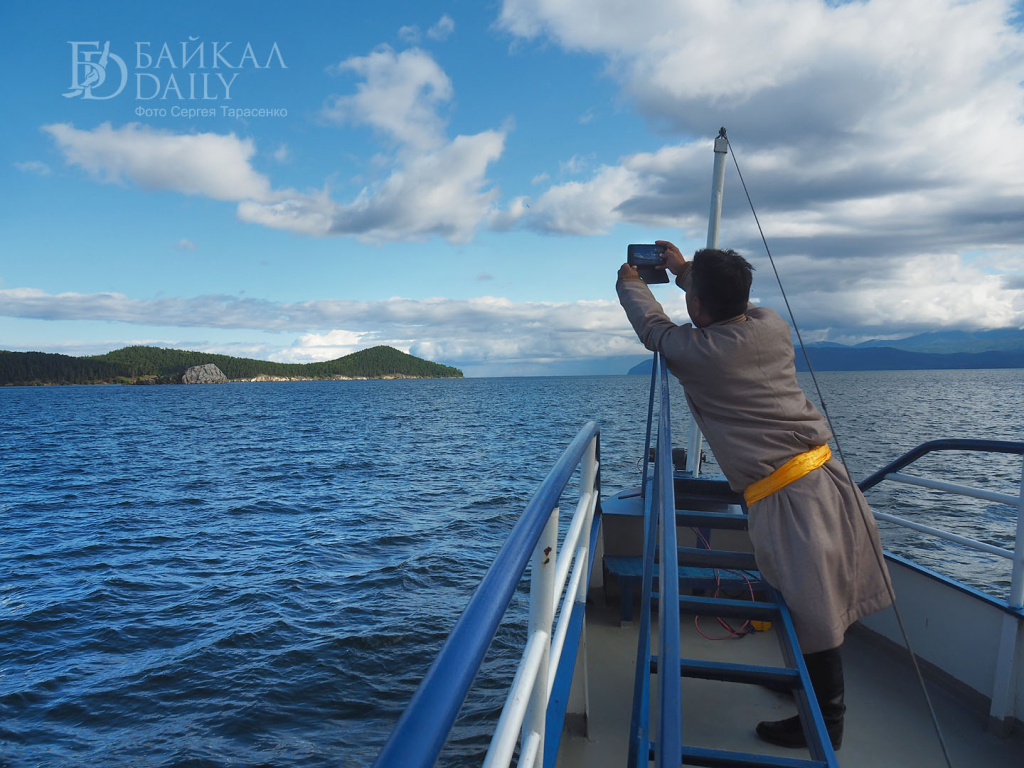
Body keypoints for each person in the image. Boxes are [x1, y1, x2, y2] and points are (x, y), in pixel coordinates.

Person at [616, 241, 893, 750]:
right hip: (827, 477)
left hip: (791, 500)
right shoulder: (770, 325)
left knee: (814, 606)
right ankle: (806, 684)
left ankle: (826, 722)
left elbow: (654, 329)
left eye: (693, 293)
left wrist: (630, 283)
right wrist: (685, 271)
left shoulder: (701, 352)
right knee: (813, 594)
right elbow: (723, 304)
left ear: (698, 305)